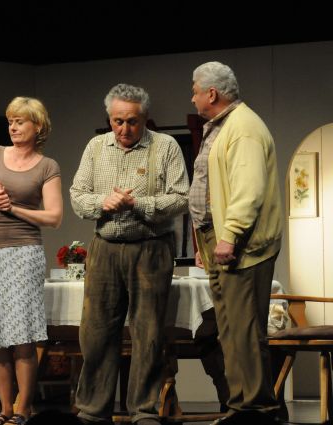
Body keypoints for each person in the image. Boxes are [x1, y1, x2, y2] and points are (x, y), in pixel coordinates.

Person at [70, 83, 189, 425]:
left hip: (150, 248)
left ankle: (144, 410)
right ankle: (93, 410)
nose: (124, 129)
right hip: (105, 248)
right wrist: (103, 202)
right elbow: (78, 195)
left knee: (148, 333)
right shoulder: (96, 147)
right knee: (96, 332)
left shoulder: (164, 146)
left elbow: (181, 197)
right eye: (118, 121)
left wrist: (139, 203)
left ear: (145, 118)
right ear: (109, 118)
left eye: (132, 121)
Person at [189, 62, 283, 425]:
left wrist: (229, 235)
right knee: (229, 330)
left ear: (211, 93)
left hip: (243, 246)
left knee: (245, 330)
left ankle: (258, 409)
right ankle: (240, 406)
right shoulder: (223, 126)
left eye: (195, 90)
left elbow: (248, 189)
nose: (192, 97)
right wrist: (205, 241)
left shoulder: (243, 128)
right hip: (218, 240)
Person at [0, 96, 63, 425]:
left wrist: (14, 209)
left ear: (38, 126)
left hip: (25, 251)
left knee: (22, 334)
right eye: (10, 122)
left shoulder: (47, 166)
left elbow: (54, 217)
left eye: (20, 121)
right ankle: (5, 409)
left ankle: (23, 408)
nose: (13, 127)